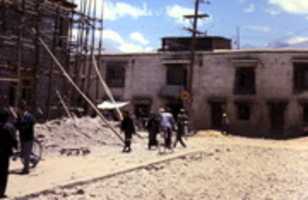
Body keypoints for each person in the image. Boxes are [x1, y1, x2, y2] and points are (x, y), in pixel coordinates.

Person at [0, 109, 17, 199]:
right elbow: (13, 140)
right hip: (5, 154)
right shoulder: (9, 127)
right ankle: (1, 192)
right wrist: (16, 148)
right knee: (3, 173)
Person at [16, 101, 35, 174]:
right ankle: (32, 159)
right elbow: (17, 124)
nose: (18, 110)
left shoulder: (29, 116)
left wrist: (22, 124)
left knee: (26, 154)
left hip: (28, 137)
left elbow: (28, 125)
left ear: (22, 109)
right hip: (22, 137)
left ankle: (26, 170)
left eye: (18, 109)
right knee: (23, 153)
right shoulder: (19, 116)